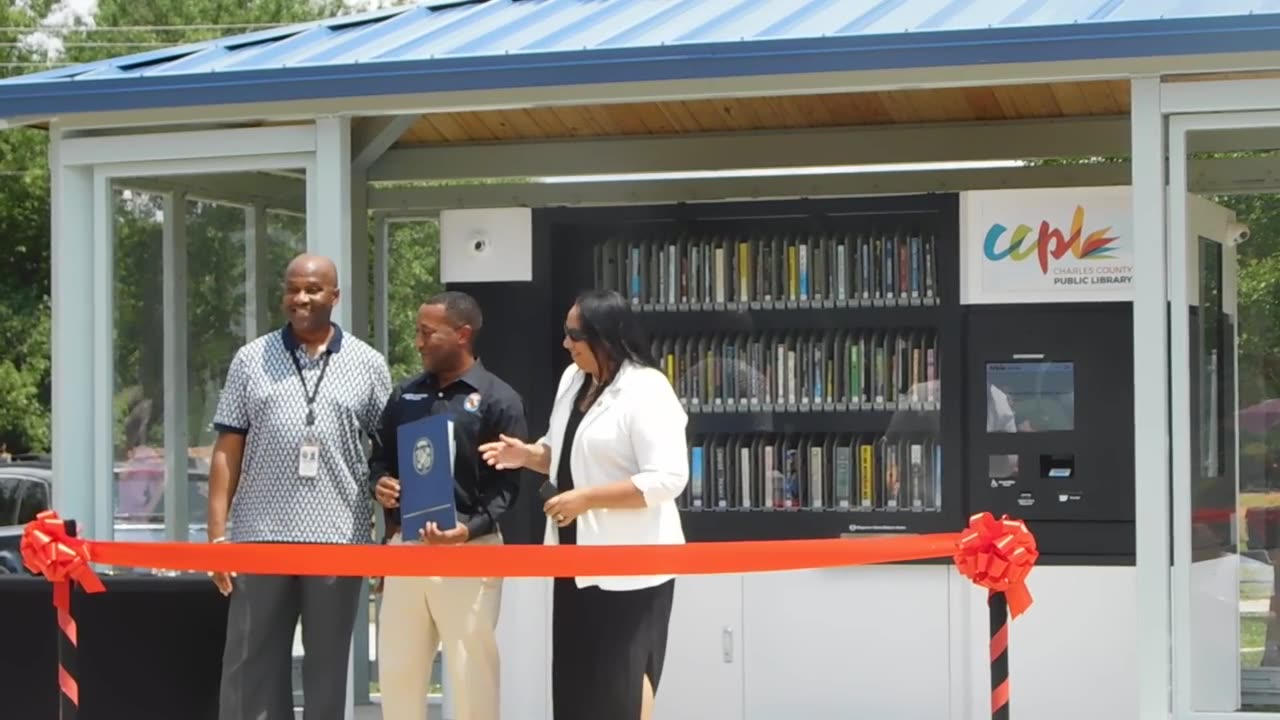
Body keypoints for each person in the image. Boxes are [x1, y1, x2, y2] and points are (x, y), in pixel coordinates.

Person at [479, 288, 689, 720]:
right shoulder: (573, 380)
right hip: (575, 560)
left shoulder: (647, 389)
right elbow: (565, 452)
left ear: (605, 337)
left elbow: (668, 478)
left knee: (624, 680)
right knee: (577, 681)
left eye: (574, 334)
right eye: (565, 332)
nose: (565, 343)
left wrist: (588, 499)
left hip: (632, 566)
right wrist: (528, 455)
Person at [206, 253, 392, 720]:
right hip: (258, 535)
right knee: (251, 666)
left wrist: (390, 535)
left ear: (335, 295)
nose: (301, 298)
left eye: (312, 289)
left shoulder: (369, 364)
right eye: (292, 289)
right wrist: (216, 538)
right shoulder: (252, 359)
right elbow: (227, 450)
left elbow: (386, 455)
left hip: (338, 538)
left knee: (327, 669)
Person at [370, 291, 528, 720]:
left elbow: (506, 489)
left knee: (470, 674)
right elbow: (380, 460)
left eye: (427, 333)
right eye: (417, 333)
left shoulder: (499, 399)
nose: (419, 343)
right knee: (399, 675)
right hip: (406, 551)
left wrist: (469, 530)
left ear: (462, 334)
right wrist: (379, 484)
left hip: (467, 553)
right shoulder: (405, 395)